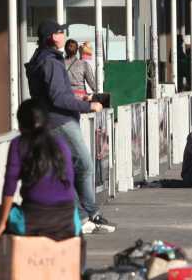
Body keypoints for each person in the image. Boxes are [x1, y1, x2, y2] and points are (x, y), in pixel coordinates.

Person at [25, 20, 113, 234]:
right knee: (84, 165)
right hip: (60, 120)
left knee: (68, 167)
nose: (64, 35)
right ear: (53, 37)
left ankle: (87, 215)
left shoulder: (41, 58)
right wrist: (87, 105)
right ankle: (86, 216)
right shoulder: (52, 62)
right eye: (60, 32)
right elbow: (58, 97)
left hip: (51, 120)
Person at [0, 99, 80, 241]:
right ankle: (77, 262)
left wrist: (1, 224)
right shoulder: (61, 144)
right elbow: (70, 181)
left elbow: (9, 187)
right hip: (68, 222)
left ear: (21, 125)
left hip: (32, 222)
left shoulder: (18, 144)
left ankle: (5, 259)